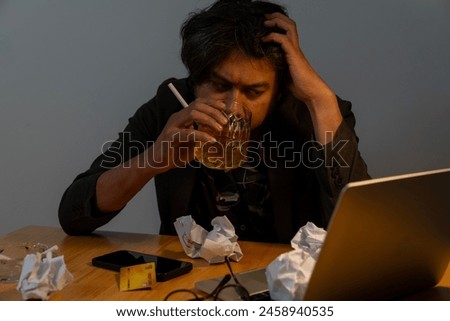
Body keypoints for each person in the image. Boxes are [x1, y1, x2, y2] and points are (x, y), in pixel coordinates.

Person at [58, 0, 370, 243]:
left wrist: (321, 100)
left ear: (277, 89)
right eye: (220, 86)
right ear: (194, 81)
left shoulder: (310, 111)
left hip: (286, 284)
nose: (234, 106)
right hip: (193, 286)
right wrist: (152, 160)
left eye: (254, 91)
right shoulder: (170, 107)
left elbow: (364, 227)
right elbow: (74, 214)